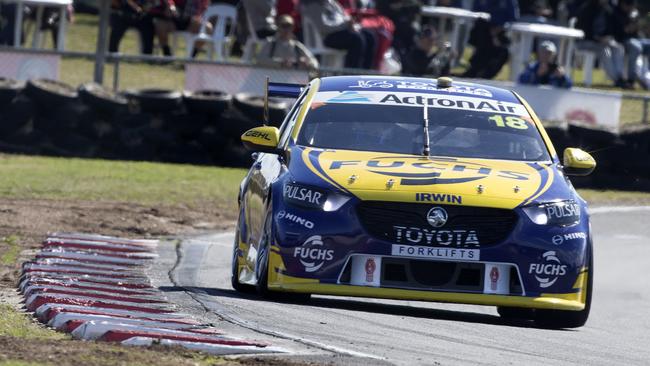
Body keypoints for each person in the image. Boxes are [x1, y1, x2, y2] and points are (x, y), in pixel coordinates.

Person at [301, 0, 376, 69]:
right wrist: (346, 25)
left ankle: (365, 72)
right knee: (357, 40)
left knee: (369, 36)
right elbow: (323, 27)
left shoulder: (331, 2)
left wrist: (354, 26)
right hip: (327, 37)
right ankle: (351, 74)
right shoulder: (312, 5)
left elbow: (344, 17)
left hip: (342, 31)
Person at [575, 0, 627, 88]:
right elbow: (583, 31)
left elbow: (611, 28)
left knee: (618, 48)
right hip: (585, 41)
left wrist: (608, 37)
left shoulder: (607, 10)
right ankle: (616, 80)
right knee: (605, 51)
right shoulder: (587, 8)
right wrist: (597, 39)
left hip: (601, 42)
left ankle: (620, 76)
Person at [463, 0, 519, 79]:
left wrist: (497, 31)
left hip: (500, 33)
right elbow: (475, 14)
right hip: (482, 33)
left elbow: (512, 19)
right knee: (482, 35)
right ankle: (473, 72)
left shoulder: (509, 2)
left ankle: (486, 76)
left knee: (504, 53)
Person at [613, 0, 650, 89]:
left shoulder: (634, 14)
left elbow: (638, 31)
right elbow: (621, 32)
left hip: (636, 39)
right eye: (629, 5)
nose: (631, 7)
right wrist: (630, 28)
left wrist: (640, 25)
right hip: (622, 40)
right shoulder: (615, 13)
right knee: (636, 47)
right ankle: (631, 79)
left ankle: (646, 75)